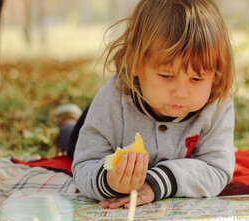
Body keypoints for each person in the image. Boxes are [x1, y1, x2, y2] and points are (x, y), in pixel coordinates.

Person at [70, 0, 236, 209]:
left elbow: (217, 170)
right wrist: (109, 181)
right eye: (166, 75)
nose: (181, 93)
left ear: (216, 72)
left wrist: (154, 183)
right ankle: (68, 124)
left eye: (197, 79)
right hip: (94, 127)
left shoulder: (218, 105)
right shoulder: (112, 100)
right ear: (135, 63)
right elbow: (85, 164)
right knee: (70, 141)